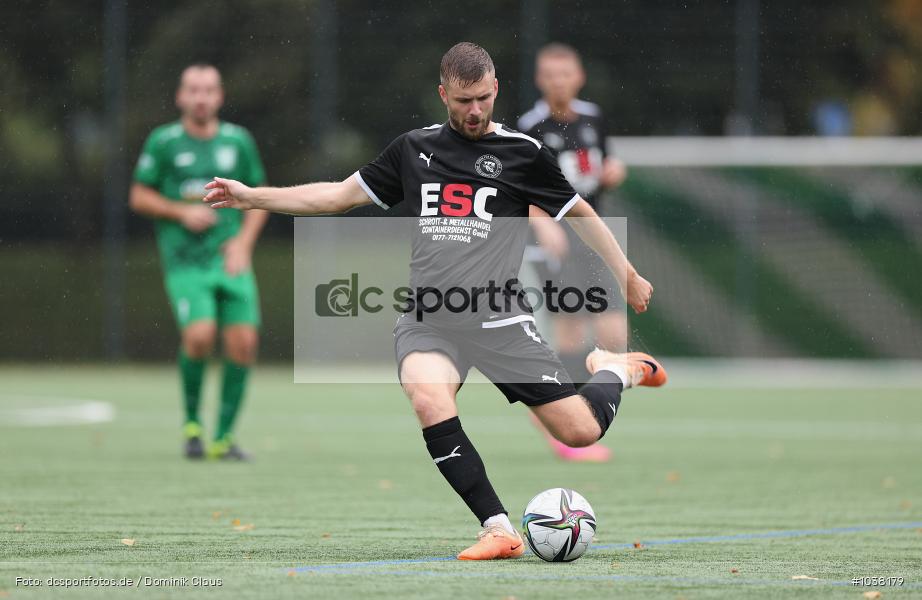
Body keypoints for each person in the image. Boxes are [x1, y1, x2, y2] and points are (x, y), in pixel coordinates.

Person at [203, 43, 666, 559]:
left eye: (484, 99)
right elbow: (335, 196)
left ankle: (614, 368)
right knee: (429, 398)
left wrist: (625, 274)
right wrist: (251, 196)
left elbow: (579, 213)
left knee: (580, 432)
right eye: (464, 100)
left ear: (497, 91)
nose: (475, 111)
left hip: (500, 317)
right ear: (443, 93)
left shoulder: (523, 153)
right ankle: (497, 527)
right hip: (429, 320)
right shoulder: (412, 149)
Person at [130, 64, 268, 461]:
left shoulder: (238, 142)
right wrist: (180, 212)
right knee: (200, 335)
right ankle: (193, 425)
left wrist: (243, 244)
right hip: (186, 262)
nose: (201, 97)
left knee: (244, 343)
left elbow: (259, 199)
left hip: (230, 260)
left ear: (220, 97)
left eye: (209, 90)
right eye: (193, 90)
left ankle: (222, 439)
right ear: (180, 96)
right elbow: (139, 196)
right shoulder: (164, 141)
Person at [517, 42, 630, 463]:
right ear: (539, 80)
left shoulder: (594, 118)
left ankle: (579, 415)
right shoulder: (530, 126)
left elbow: (602, 169)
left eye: (565, 74)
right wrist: (542, 222)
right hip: (558, 243)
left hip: (595, 238)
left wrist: (614, 172)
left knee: (614, 334)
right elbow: (518, 187)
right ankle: (562, 423)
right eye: (550, 74)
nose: (558, 81)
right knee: (569, 332)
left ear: (578, 77)